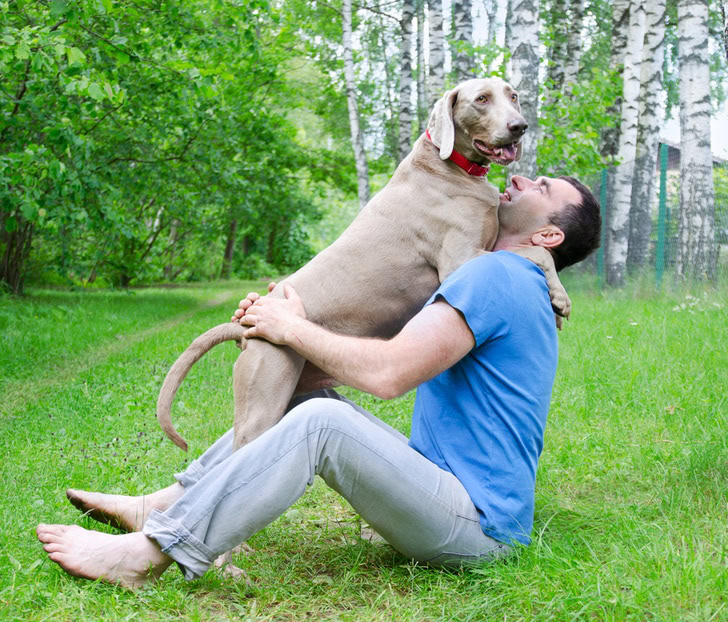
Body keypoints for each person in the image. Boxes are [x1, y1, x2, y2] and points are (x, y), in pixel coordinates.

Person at [36, 174, 601, 588]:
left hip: (477, 529)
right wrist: (281, 336)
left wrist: (293, 326)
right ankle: (164, 504)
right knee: (304, 400)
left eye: (541, 186)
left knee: (322, 423)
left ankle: (149, 556)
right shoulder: (512, 282)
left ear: (548, 237)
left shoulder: (496, 274)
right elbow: (377, 358)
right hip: (450, 501)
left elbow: (387, 375)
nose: (520, 175)